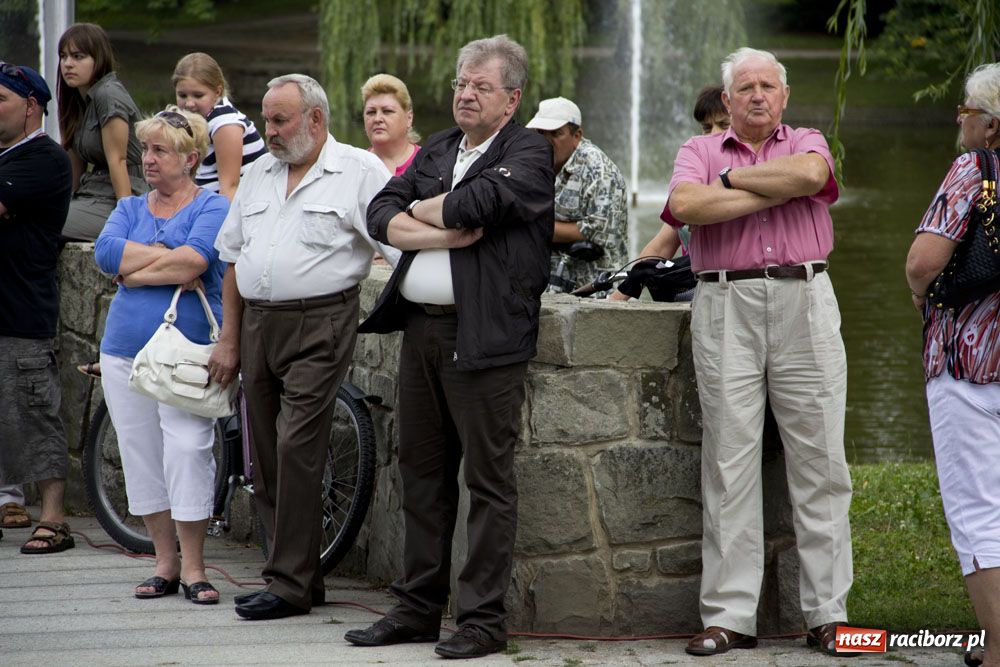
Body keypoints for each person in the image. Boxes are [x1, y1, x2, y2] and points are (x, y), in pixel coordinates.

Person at [345, 35, 553, 660]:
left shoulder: (528, 150)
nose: (465, 94)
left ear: (511, 99)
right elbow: (379, 210)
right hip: (423, 332)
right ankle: (417, 609)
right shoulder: (438, 146)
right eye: (461, 83)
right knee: (422, 473)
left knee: (487, 482)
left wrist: (422, 212)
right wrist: (436, 228)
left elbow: (480, 202)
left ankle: (483, 621)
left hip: (486, 335)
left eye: (481, 86)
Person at [663, 48, 854, 657]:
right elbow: (687, 207)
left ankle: (829, 615)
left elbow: (811, 178)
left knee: (822, 463)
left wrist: (728, 185)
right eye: (744, 87)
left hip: (806, 299)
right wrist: (770, 188)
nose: (757, 95)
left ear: (784, 95)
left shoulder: (807, 141)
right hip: (726, 303)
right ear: (727, 99)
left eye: (768, 86)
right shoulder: (698, 150)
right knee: (729, 462)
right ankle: (730, 617)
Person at [209, 73, 394, 621]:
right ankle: (299, 577)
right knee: (266, 455)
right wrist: (229, 336)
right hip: (257, 325)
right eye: (265, 119)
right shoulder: (258, 173)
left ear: (315, 119)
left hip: (321, 322)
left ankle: (287, 585)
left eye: (279, 120)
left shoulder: (359, 171)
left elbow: (398, 244)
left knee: (296, 445)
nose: (268, 131)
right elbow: (232, 258)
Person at [94, 107, 229, 604]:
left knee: (188, 448)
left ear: (191, 159)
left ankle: (195, 567)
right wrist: (167, 259)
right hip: (124, 351)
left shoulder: (213, 206)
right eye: (145, 149)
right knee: (141, 454)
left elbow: (196, 259)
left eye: (160, 150)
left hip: (189, 354)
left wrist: (135, 271)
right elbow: (106, 254)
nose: (147, 158)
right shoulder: (129, 207)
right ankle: (165, 563)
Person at [905, 62, 1000, 667]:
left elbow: (923, 261)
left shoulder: (975, 169)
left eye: (966, 110)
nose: (958, 119)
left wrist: (920, 293)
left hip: (969, 360)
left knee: (978, 508)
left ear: (992, 126)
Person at [0, 63, 74, 555]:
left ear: (30, 107)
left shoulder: (45, 158)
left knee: (36, 416)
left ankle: (54, 519)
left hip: (22, 312)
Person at [609, 85, 729, 302]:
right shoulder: (689, 184)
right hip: (694, 293)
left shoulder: (746, 175)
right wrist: (617, 298)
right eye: (706, 127)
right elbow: (662, 245)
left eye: (724, 125)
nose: (713, 134)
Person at [524, 96, 627, 293]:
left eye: (555, 133)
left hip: (594, 292)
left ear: (577, 135)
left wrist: (532, 226)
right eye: (541, 132)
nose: (546, 140)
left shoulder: (599, 171)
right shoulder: (534, 164)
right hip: (547, 285)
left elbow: (597, 230)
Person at [57, 22, 147, 242]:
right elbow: (74, 166)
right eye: (63, 56)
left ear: (98, 59)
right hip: (93, 192)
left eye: (78, 56)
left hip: (127, 195)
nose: (68, 64)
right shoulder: (77, 101)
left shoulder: (108, 94)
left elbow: (119, 160)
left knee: (41, 222)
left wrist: (128, 221)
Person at [173, 52, 266, 201]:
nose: (189, 103)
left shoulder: (225, 123)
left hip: (241, 205)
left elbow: (230, 188)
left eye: (198, 95)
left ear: (217, 92)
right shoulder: (193, 121)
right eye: (182, 95)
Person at [362, 73, 421, 176]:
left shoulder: (428, 163)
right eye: (371, 112)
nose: (377, 119)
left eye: (387, 111)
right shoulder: (357, 166)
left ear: (409, 118)